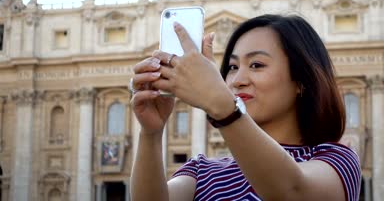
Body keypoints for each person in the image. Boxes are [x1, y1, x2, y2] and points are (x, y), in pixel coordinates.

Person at [129, 14, 361, 201]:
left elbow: (291, 191)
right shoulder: (202, 172)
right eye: (231, 66)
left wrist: (224, 108)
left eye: (256, 65)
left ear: (301, 81)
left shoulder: (335, 160)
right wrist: (151, 134)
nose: (237, 79)